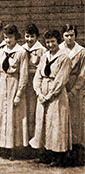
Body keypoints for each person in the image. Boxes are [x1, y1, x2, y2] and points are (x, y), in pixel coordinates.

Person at [31, 30, 72, 166]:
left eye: (53, 41)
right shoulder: (45, 56)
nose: (50, 45)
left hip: (56, 96)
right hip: (43, 94)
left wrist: (49, 95)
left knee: (56, 125)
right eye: (47, 42)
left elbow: (61, 79)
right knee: (43, 124)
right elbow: (38, 75)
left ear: (58, 41)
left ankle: (58, 156)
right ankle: (46, 154)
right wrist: (39, 93)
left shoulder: (64, 58)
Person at [0, 24, 29, 151]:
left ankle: (14, 148)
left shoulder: (21, 52)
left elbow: (24, 75)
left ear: (16, 37)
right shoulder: (1, 51)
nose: (8, 40)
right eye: (6, 37)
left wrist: (18, 94)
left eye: (10, 37)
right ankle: (2, 147)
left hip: (14, 84)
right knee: (1, 115)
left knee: (14, 116)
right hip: (2, 84)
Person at [59, 24, 85, 161]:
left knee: (75, 119)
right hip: (61, 85)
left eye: (72, 35)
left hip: (74, 85)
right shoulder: (58, 49)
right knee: (61, 118)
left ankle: (76, 152)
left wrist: (74, 91)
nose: (69, 38)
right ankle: (61, 150)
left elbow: (82, 74)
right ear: (63, 36)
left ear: (75, 35)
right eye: (66, 35)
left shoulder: (81, 51)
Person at [21, 24, 46, 139]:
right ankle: (24, 139)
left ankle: (35, 139)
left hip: (34, 83)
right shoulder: (21, 49)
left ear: (37, 37)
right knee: (23, 111)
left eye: (32, 36)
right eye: (27, 36)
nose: (29, 39)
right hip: (22, 82)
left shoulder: (42, 50)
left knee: (33, 111)